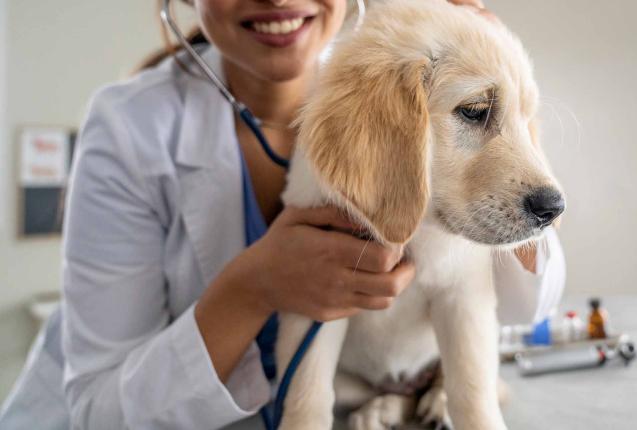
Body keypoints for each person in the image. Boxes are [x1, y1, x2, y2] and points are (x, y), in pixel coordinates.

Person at [0, 0, 565, 428]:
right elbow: (99, 413)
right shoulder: (128, 129)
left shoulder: (406, 68)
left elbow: (517, 296)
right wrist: (256, 286)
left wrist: (508, 103)